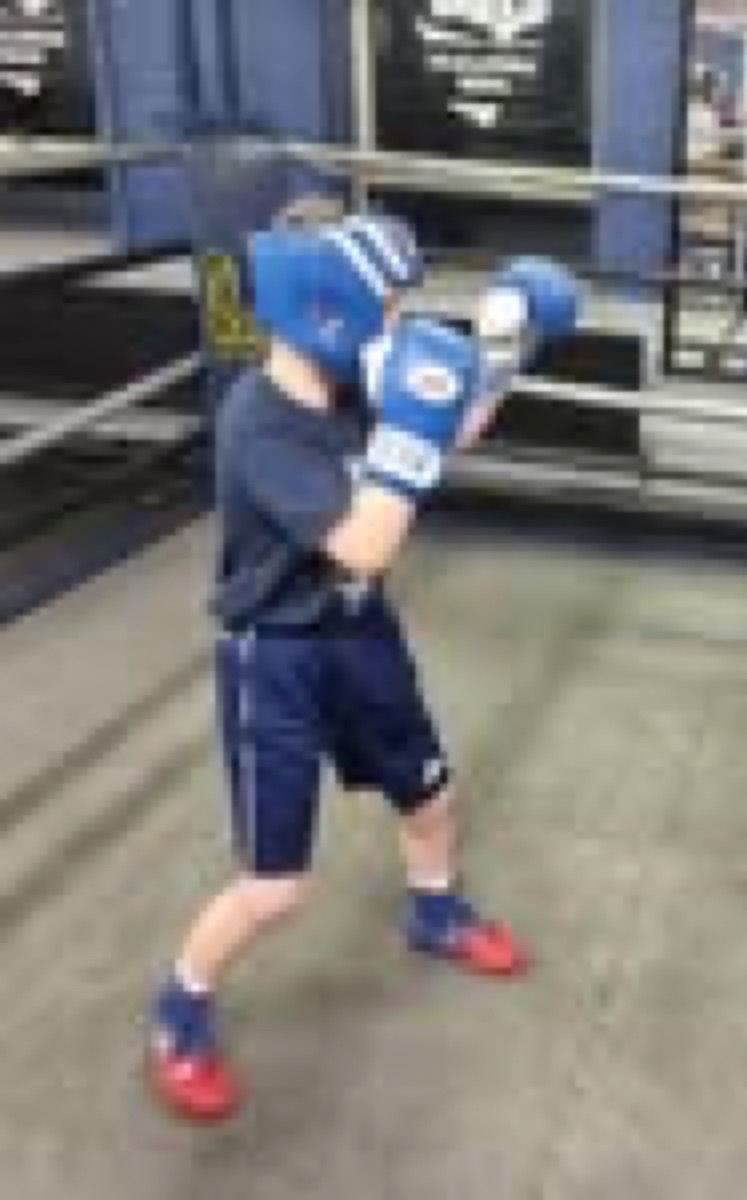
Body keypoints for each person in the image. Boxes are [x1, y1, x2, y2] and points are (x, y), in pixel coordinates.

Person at [149, 211, 579, 1119]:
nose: (393, 326)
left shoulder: (346, 384)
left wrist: (504, 348)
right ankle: (180, 1005)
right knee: (273, 890)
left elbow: (445, 427)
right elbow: (365, 543)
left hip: (359, 636)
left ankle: (434, 911)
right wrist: (421, 413)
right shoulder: (260, 424)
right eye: (382, 309)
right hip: (279, 657)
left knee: (429, 794)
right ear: (327, 312)